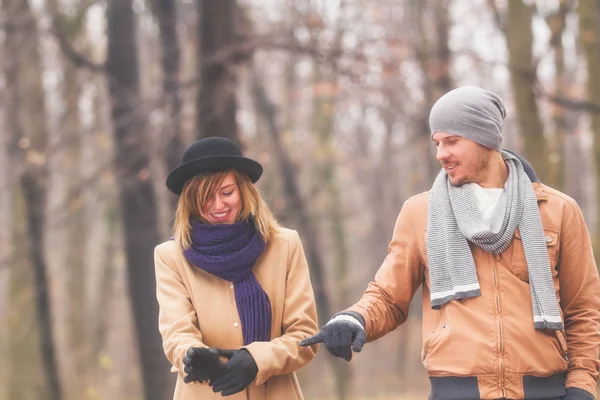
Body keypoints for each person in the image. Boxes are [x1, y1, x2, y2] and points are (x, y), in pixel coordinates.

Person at [301, 86, 600, 400]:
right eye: (437, 142)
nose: (441, 153)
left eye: (452, 141)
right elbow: (388, 297)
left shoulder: (557, 210)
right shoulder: (420, 213)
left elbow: (583, 310)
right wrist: (354, 319)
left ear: (486, 138)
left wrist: (582, 385)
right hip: (456, 392)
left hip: (545, 391)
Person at [155, 137, 319, 399]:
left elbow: (305, 335)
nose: (218, 205)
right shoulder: (170, 256)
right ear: (189, 201)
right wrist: (193, 355)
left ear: (244, 191)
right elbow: (177, 334)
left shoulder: (285, 245)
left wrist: (258, 359)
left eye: (227, 192)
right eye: (205, 197)